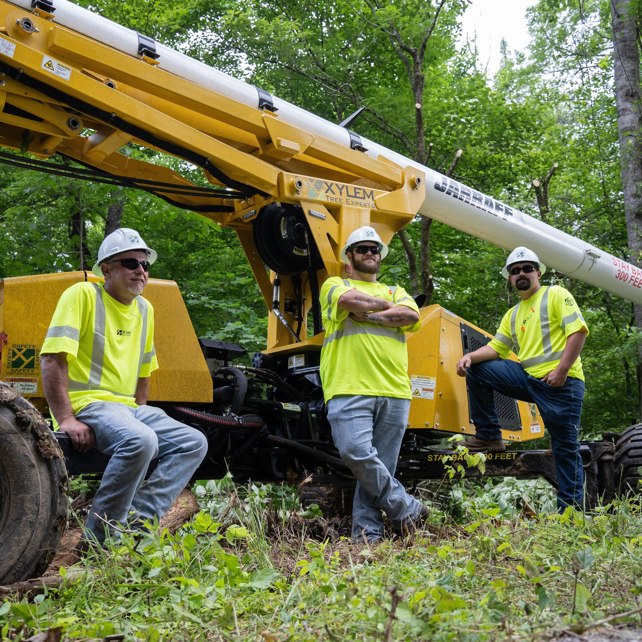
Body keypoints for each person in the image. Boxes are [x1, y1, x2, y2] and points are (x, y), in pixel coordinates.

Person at [40, 228, 208, 545]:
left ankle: (135, 529)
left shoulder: (146, 310)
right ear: (107, 269)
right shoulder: (82, 295)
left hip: (128, 410)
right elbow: (52, 360)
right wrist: (66, 419)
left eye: (145, 265)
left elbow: (144, 372)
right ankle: (99, 545)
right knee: (141, 439)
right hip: (88, 404)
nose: (141, 271)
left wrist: (141, 410)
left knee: (194, 442)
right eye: (131, 263)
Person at [456, 247, 589, 511]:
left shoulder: (555, 295)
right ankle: (489, 436)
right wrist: (469, 357)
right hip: (529, 380)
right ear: (509, 278)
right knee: (478, 369)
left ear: (538, 272)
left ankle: (570, 514)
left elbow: (578, 332)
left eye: (527, 268)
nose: (521, 274)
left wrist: (562, 371)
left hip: (561, 383)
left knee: (564, 449)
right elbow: (496, 348)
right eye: (514, 271)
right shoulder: (514, 313)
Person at [319, 225, 427, 541]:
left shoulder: (397, 290)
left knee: (379, 467)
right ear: (350, 256)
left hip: (395, 389)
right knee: (355, 451)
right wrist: (383, 309)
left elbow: (410, 315)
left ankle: (367, 536)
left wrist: (367, 313)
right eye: (363, 248)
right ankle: (406, 507)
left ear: (380, 256)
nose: (370, 253)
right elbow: (349, 300)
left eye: (375, 249)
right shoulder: (334, 284)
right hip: (348, 385)